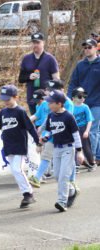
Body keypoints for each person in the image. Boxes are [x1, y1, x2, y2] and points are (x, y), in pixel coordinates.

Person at [0, 85, 41, 208]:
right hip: (8, 147)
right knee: (15, 170)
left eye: (8, 99)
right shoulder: (3, 112)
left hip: (19, 146)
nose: (6, 102)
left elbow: (30, 127)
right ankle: (27, 193)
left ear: (16, 97)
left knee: (17, 169)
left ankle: (28, 194)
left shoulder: (20, 112)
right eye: (4, 99)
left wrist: (37, 141)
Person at [41, 90, 84, 212]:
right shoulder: (51, 116)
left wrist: (79, 152)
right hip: (56, 149)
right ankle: (72, 190)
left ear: (59, 103)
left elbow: (76, 135)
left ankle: (62, 201)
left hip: (68, 149)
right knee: (57, 175)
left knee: (64, 176)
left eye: (51, 103)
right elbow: (50, 130)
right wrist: (45, 137)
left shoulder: (69, 117)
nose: (48, 105)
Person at [29, 80, 75, 188]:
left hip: (64, 136)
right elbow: (49, 117)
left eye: (53, 90)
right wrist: (42, 129)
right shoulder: (48, 102)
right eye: (49, 90)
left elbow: (68, 119)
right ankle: (37, 177)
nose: (50, 93)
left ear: (62, 90)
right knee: (46, 156)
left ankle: (72, 181)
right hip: (50, 134)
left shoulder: (68, 103)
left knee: (68, 161)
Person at [67, 38, 100, 166]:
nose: (87, 49)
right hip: (80, 103)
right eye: (85, 47)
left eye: (89, 47)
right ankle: (97, 156)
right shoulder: (80, 65)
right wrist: (70, 98)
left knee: (92, 131)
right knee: (90, 131)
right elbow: (73, 83)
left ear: (96, 48)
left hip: (97, 102)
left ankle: (90, 158)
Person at [19, 32, 60, 115]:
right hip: (32, 97)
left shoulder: (50, 59)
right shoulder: (26, 58)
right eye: (34, 43)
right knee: (35, 123)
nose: (35, 45)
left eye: (38, 42)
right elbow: (21, 78)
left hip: (46, 98)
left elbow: (56, 79)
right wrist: (29, 77)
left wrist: (51, 92)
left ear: (43, 43)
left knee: (47, 123)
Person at [72, 87, 97, 171]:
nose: (82, 98)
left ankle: (92, 163)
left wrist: (87, 131)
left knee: (86, 147)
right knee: (75, 147)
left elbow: (89, 120)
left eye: (84, 96)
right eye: (80, 96)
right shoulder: (71, 107)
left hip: (83, 129)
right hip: (74, 129)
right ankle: (76, 165)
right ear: (73, 98)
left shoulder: (85, 107)